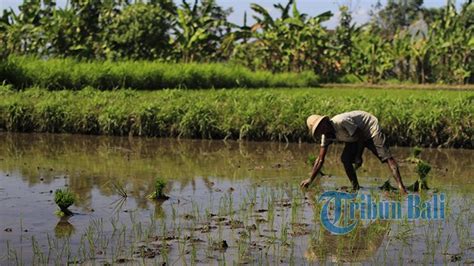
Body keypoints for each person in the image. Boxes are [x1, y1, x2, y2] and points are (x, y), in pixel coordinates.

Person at [300, 110, 408, 194]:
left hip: (369, 128)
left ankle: (401, 187)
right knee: (345, 159)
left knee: (386, 157)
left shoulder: (341, 121)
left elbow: (360, 135)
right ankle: (355, 187)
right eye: (319, 129)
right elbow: (320, 159)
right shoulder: (326, 136)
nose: (322, 129)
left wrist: (358, 156)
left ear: (326, 121)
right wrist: (310, 179)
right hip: (353, 136)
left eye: (322, 125)